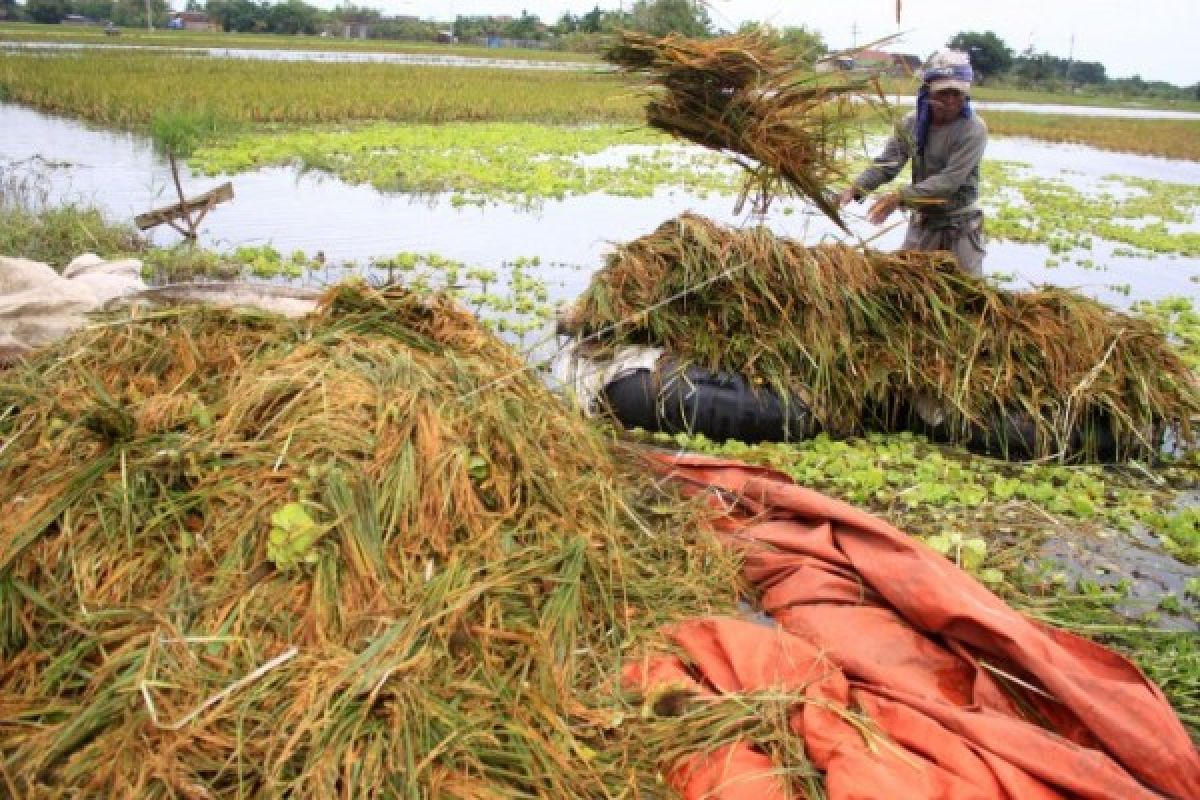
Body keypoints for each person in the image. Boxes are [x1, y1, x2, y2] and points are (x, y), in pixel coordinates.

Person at [838, 50, 988, 277]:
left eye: (957, 93)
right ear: (928, 90)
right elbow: (888, 164)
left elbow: (949, 182)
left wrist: (900, 198)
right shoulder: (912, 123)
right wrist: (856, 188)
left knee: (968, 297)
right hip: (924, 221)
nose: (950, 100)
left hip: (960, 228)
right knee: (906, 287)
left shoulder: (972, 129)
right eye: (944, 92)